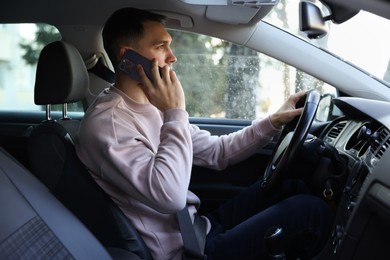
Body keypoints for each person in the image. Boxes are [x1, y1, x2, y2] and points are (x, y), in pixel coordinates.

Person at [75, 7, 333, 260]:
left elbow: (217, 152)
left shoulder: (151, 106)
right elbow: (171, 196)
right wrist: (174, 112)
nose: (172, 56)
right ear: (128, 57)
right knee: (310, 212)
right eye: (161, 46)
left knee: (292, 187)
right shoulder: (108, 124)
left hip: (196, 228)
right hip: (186, 251)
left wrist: (273, 121)